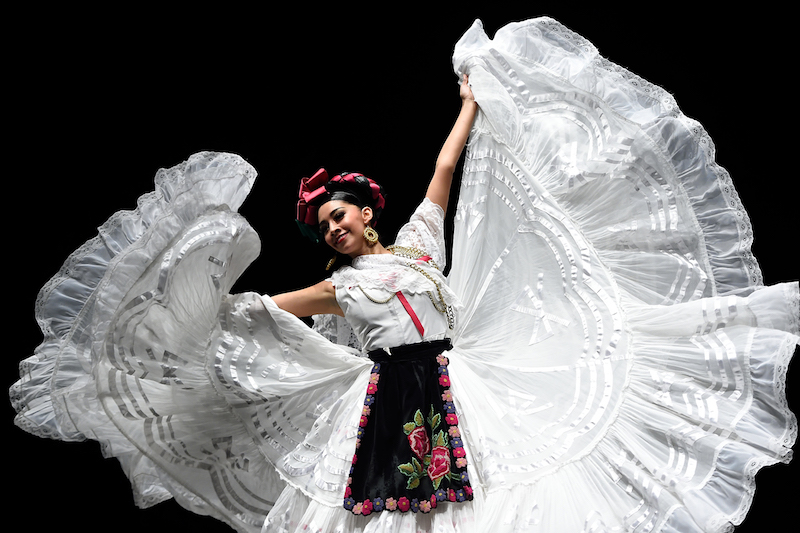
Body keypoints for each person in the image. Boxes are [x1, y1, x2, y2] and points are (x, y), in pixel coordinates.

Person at [10, 17, 798, 533]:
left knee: (499, 487)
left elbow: (444, 172)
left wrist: (472, 101)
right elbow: (264, 310)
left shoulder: (417, 247)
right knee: (404, 508)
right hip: (395, 396)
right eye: (324, 225)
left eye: (341, 215)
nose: (335, 227)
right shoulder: (341, 287)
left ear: (365, 211)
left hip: (461, 378)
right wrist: (201, 304)